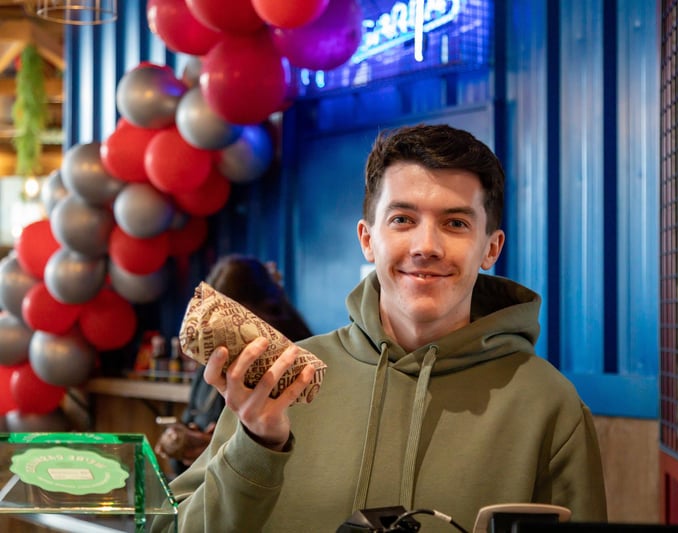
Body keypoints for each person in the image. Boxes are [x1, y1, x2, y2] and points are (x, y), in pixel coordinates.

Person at [160, 124, 607, 531]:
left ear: (490, 248)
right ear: (367, 239)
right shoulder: (284, 379)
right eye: (402, 220)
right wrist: (256, 446)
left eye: (455, 223)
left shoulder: (549, 405)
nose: (426, 246)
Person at [155, 255, 312, 475]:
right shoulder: (212, 364)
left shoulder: (295, 365)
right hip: (210, 492)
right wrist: (181, 441)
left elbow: (306, 456)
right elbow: (189, 426)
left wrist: (226, 448)